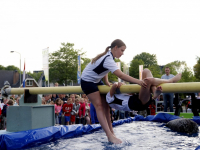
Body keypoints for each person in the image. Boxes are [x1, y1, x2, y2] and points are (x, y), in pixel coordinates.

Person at [81, 39, 152, 144]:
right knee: (99, 106)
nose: (122, 53)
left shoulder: (108, 56)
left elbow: (104, 70)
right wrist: (139, 82)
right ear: (115, 48)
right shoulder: (108, 58)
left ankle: (112, 132)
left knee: (106, 106)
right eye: (122, 50)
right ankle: (109, 135)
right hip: (87, 81)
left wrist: (106, 82)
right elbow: (121, 75)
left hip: (96, 81)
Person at [106, 69, 181, 113]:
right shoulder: (108, 99)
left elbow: (131, 93)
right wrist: (117, 83)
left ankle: (154, 92)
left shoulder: (115, 97)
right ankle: (171, 80)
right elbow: (114, 86)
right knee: (147, 81)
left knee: (145, 71)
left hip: (137, 99)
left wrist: (121, 83)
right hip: (138, 103)